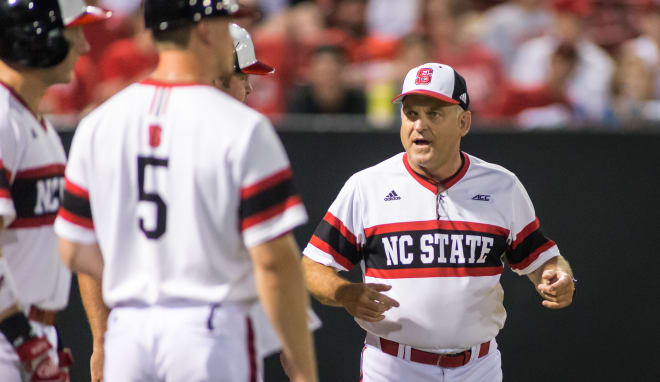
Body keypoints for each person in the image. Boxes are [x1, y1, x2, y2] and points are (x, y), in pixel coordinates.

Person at [54, 1, 318, 381]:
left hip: (128, 330)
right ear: (204, 30)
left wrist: (143, 272)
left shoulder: (97, 123)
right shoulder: (242, 127)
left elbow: (73, 248)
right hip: (208, 329)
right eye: (225, 22)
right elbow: (275, 263)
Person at [301, 63, 575, 381]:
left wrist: (560, 277)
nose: (419, 125)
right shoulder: (367, 186)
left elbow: (542, 260)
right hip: (393, 366)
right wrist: (346, 294)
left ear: (464, 122)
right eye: (411, 113)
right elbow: (312, 266)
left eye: (434, 114)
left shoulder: (501, 185)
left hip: (477, 367)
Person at [0, 0, 110, 381]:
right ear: (34, 39)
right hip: (9, 337)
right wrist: (22, 338)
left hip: (30, 332)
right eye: (73, 32)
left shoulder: (33, 121)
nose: (84, 46)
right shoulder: (2, 118)